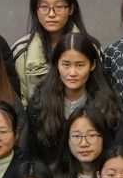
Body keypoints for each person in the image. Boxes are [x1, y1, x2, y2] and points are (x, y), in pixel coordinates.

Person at [25, 30, 114, 162]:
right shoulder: (39, 103)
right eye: (66, 64)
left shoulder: (106, 103)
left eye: (80, 65)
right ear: (56, 64)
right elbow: (32, 152)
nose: (72, 73)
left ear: (92, 65)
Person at [9, 0, 86, 105]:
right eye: (44, 7)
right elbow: (19, 103)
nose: (51, 14)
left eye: (59, 6)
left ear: (71, 9)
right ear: (36, 10)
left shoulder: (90, 47)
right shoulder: (21, 51)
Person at [53, 104, 114, 178]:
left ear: (104, 137)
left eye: (91, 135)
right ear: (67, 140)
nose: (84, 143)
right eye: (76, 136)